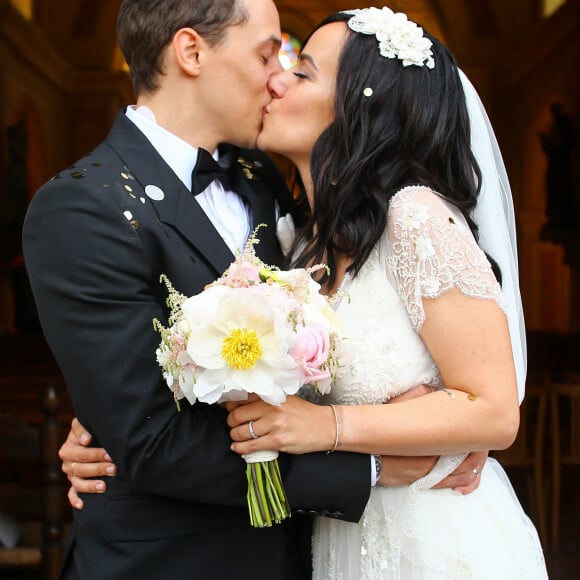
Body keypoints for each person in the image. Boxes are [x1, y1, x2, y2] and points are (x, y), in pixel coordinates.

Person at [23, 1, 484, 578]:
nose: (277, 77)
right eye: (267, 53)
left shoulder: (264, 178)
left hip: (308, 553)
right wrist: (371, 467)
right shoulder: (80, 207)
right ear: (191, 52)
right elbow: (153, 441)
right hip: (171, 560)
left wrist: (455, 421)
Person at [225, 8, 548, 579]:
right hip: (342, 535)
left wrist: (329, 427)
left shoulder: (414, 218)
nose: (276, 79)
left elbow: (496, 411)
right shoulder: (294, 243)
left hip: (435, 538)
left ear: (361, 106)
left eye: (302, 72)